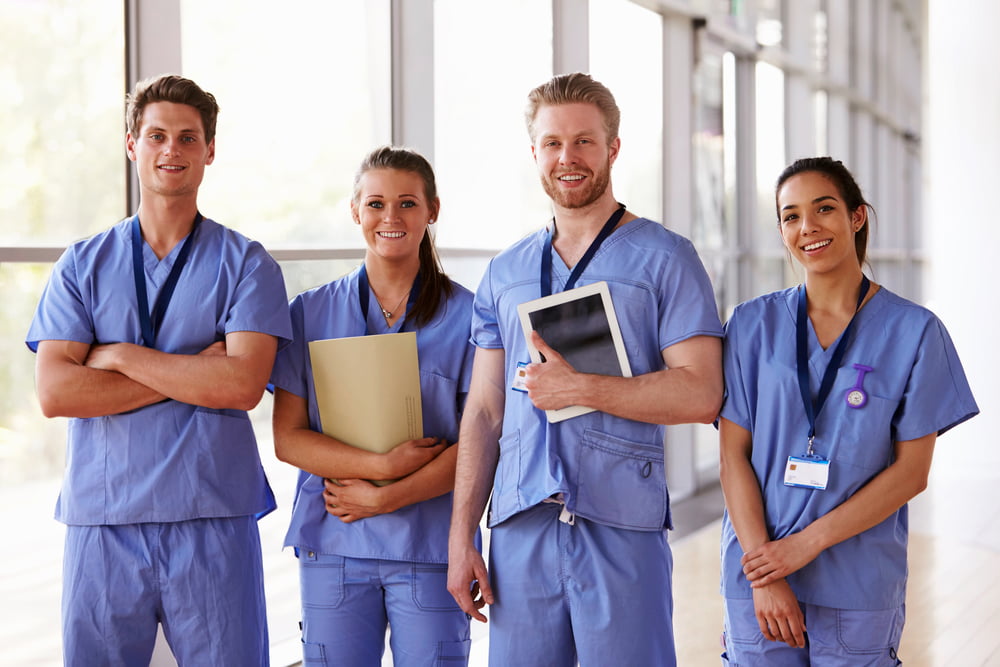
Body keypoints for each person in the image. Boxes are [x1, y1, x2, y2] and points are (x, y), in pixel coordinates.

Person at [446, 72, 725, 666]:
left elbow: (702, 393)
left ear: (613, 149)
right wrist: (461, 532)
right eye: (552, 143)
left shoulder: (666, 259)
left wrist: (580, 388)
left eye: (584, 142)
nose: (567, 158)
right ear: (535, 153)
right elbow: (486, 409)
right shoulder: (505, 271)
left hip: (621, 521)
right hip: (520, 528)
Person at [26, 74, 292, 665]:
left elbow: (242, 384)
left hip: (212, 517)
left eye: (187, 138)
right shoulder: (83, 265)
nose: (171, 150)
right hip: (103, 521)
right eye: (156, 136)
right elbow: (56, 390)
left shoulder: (246, 264)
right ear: (131, 145)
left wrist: (119, 356)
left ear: (209, 151)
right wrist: (192, 371)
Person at [718, 157, 979, 665]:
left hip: (857, 582)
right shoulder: (751, 326)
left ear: (856, 217)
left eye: (824, 209)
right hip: (758, 577)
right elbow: (733, 458)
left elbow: (911, 473)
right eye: (790, 216)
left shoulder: (915, 332)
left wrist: (801, 548)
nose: (807, 227)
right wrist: (766, 572)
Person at [270, 145, 476, 666]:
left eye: (408, 203)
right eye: (377, 203)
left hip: (430, 547)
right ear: (355, 210)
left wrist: (389, 496)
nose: (391, 217)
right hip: (335, 544)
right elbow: (288, 438)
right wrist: (379, 468)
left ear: (432, 210)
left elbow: (480, 443)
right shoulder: (309, 314)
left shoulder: (471, 316)